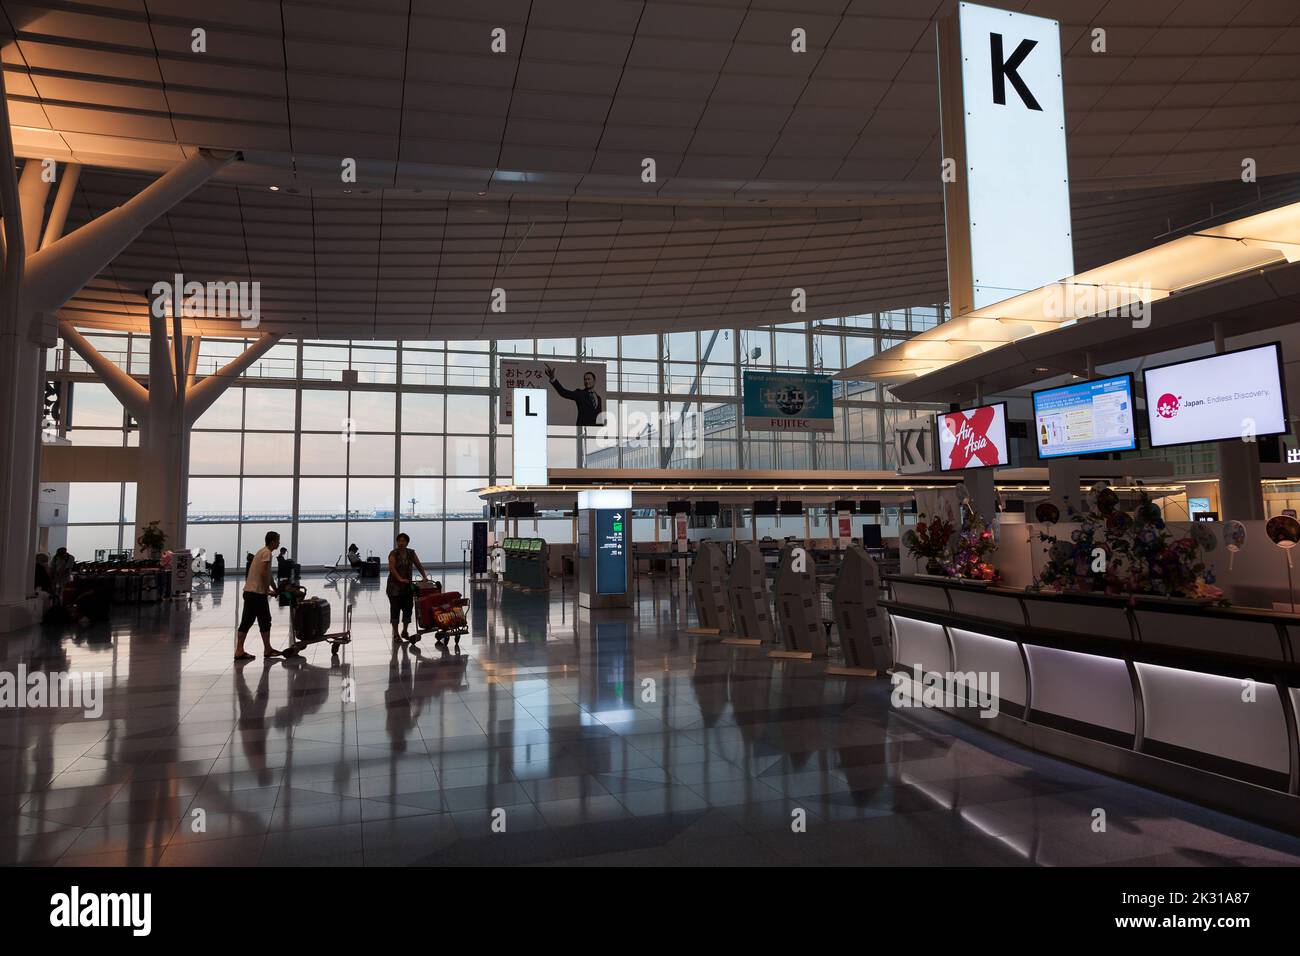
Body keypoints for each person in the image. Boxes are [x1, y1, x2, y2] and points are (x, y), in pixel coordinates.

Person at [235, 531, 284, 662]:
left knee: (247, 621)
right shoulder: (267, 553)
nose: (279, 543)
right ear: (272, 541)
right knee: (265, 620)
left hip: (250, 592)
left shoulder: (261, 552)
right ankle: (267, 649)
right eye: (278, 540)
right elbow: (263, 573)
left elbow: (268, 574)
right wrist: (268, 590)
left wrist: (275, 589)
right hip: (257, 594)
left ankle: (239, 650)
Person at [387, 532, 428, 640]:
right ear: (396, 542)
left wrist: (424, 576)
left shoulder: (411, 553)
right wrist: (399, 578)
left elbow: (418, 564)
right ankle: (395, 633)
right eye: (399, 540)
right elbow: (392, 568)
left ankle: (405, 631)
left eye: (403, 541)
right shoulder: (393, 553)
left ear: (407, 542)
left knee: (408, 608)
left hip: (407, 586)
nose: (401, 543)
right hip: (394, 587)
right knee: (395, 609)